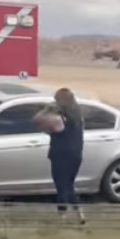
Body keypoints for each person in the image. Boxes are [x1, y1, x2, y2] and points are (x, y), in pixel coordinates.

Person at [34, 88, 85, 224]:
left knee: (61, 186)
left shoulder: (59, 118)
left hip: (60, 155)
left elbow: (37, 120)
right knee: (69, 185)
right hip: (76, 155)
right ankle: (80, 215)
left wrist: (47, 109)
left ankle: (62, 216)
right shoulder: (77, 117)